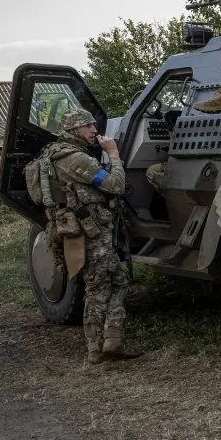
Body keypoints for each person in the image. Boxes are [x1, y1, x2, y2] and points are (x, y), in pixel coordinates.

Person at [39, 110, 133, 364]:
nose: (94, 129)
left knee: (117, 282)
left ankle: (112, 340)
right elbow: (115, 185)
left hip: (79, 229)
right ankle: (96, 348)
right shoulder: (75, 159)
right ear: (73, 131)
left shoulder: (52, 153)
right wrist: (113, 154)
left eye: (93, 124)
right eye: (87, 126)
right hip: (91, 231)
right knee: (98, 288)